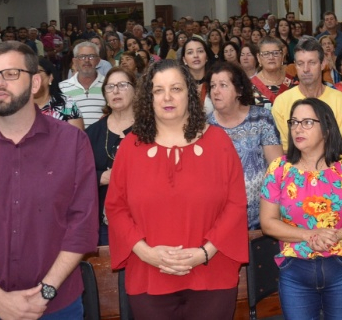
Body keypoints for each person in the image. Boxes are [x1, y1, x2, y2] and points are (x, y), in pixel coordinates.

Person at [0, 41, 98, 319]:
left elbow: (82, 227)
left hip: (56, 304)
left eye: (11, 74)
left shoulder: (72, 142)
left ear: (36, 82)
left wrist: (45, 291)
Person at [105, 59, 249, 318]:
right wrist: (146, 253)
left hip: (211, 272)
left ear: (190, 94)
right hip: (149, 273)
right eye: (158, 90)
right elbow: (115, 207)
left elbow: (236, 204)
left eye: (176, 89)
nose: (167, 97)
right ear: (148, 97)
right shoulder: (130, 147)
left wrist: (205, 253)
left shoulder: (218, 143)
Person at [260, 98, 342, 320]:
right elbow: (267, 222)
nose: (298, 129)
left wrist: (337, 235)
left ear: (327, 128)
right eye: (294, 122)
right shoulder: (279, 169)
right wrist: (309, 235)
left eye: (307, 122)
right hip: (295, 268)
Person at [208, 61, 281, 229]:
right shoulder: (205, 127)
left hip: (263, 217)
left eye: (223, 85)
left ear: (239, 90)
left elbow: (277, 169)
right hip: (221, 221)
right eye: (212, 86)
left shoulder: (261, 118)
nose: (216, 91)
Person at [270, 37, 342, 154]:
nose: (306, 69)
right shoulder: (282, 101)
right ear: (295, 65)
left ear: (323, 64)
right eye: (300, 64)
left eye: (312, 63)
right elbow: (285, 150)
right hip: (296, 168)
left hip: (333, 167)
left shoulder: (339, 100)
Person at [85, 67, 136, 245]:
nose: (115, 91)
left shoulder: (150, 129)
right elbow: (77, 175)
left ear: (135, 90)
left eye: (122, 85)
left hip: (144, 218)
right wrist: (102, 177)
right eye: (110, 87)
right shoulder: (92, 133)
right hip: (103, 222)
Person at [59, 41, 106, 127]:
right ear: (75, 61)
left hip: (103, 138)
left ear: (98, 60)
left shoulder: (109, 85)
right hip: (73, 138)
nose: (87, 60)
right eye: (82, 57)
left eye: (91, 56)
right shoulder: (62, 88)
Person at [251, 36, 297, 112]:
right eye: (266, 54)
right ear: (258, 58)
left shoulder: (294, 83)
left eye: (275, 53)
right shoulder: (249, 87)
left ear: (282, 56)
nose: (271, 57)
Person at [36, 58, 84, 130]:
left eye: (37, 72)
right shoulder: (19, 106)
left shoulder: (67, 105)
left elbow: (77, 138)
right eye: (29, 72)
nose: (32, 76)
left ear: (50, 77)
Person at [183, 37, 214, 111]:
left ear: (206, 57)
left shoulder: (215, 82)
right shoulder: (179, 85)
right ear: (184, 60)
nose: (196, 56)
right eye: (190, 52)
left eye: (200, 51)